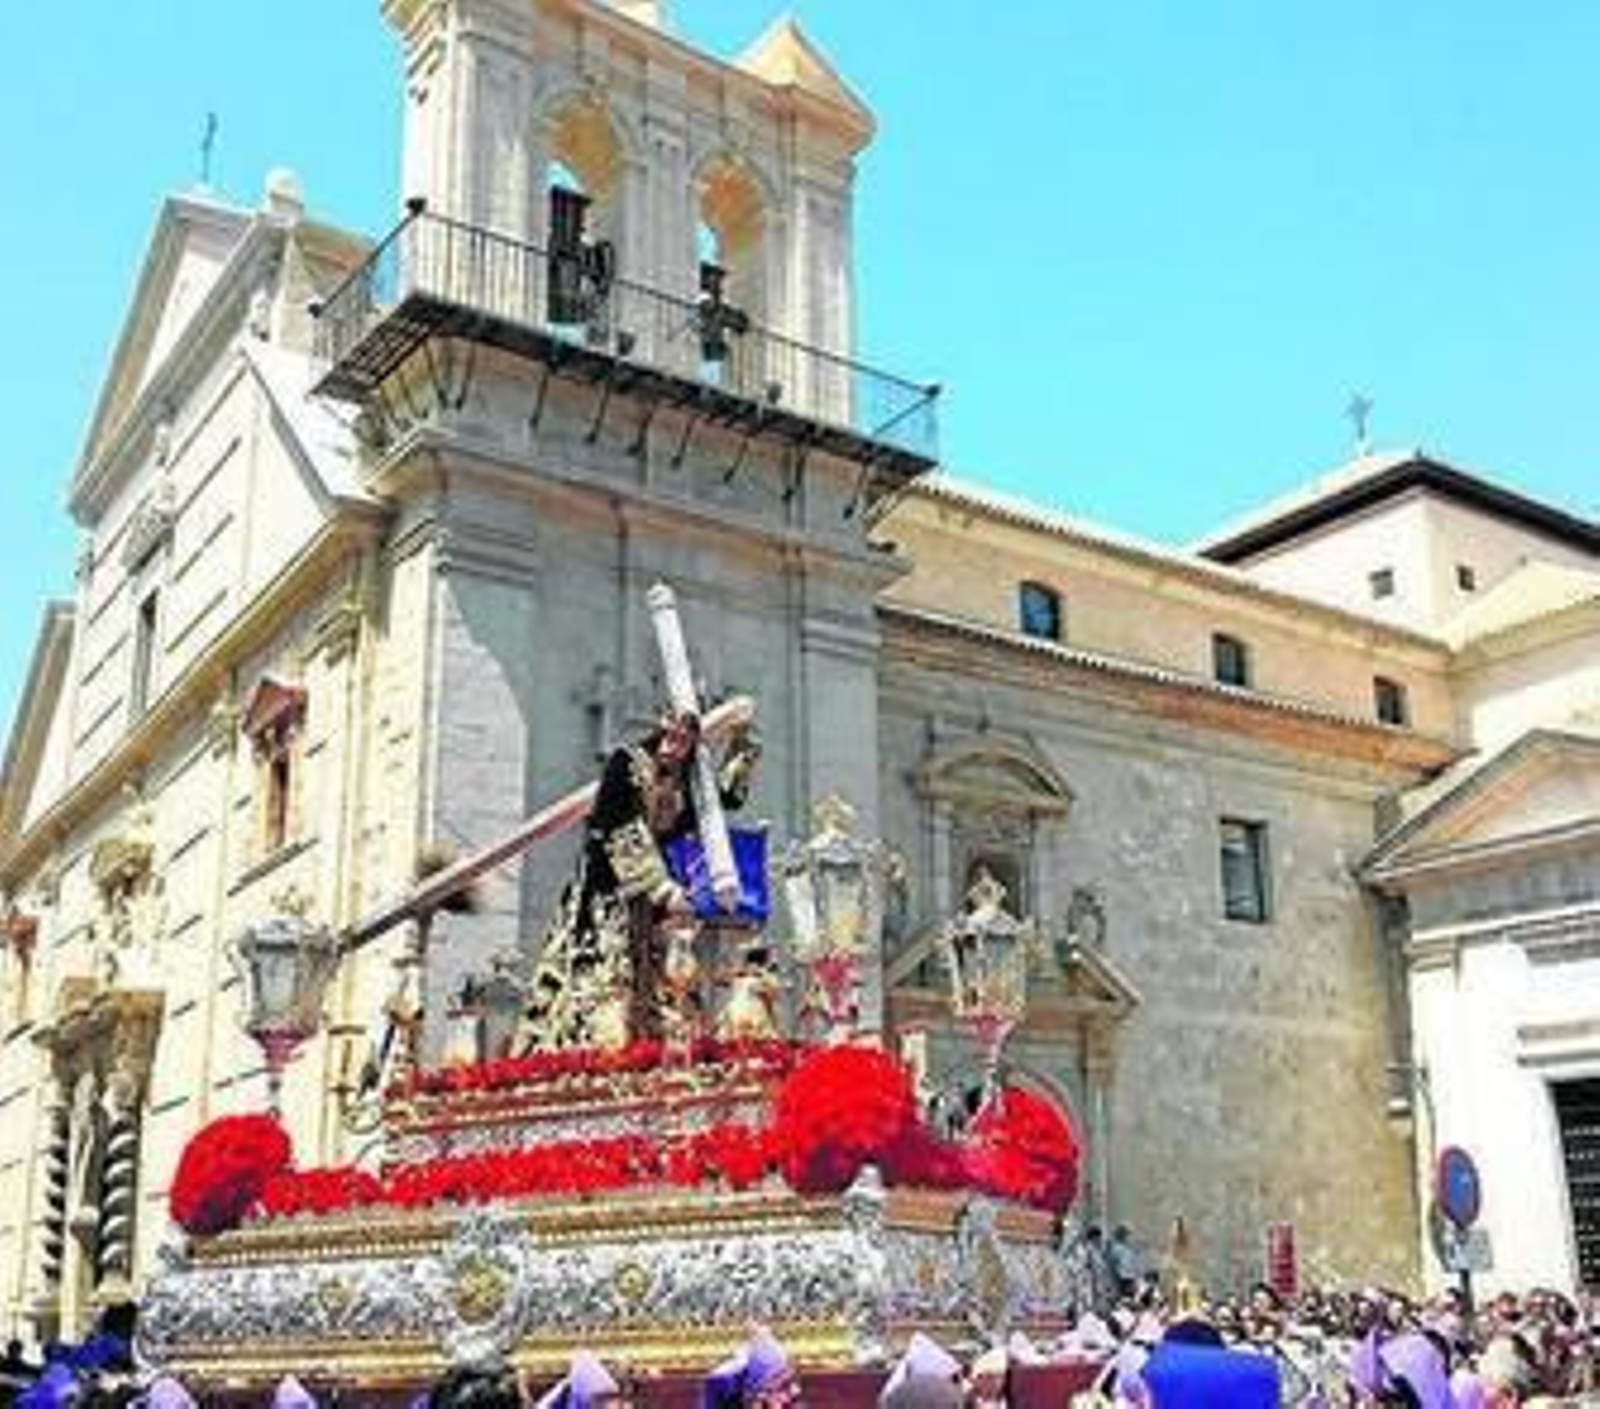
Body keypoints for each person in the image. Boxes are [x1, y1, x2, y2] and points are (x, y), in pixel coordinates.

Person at [524, 708, 759, 1049]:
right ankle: (592, 1048)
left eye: (683, 739)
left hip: (657, 888)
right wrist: (660, 888)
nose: (673, 745)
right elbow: (616, 822)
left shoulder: (688, 781)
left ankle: (662, 1043)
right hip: (609, 884)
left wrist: (742, 742)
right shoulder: (627, 762)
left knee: (666, 971)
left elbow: (725, 798)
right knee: (606, 972)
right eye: (669, 735)